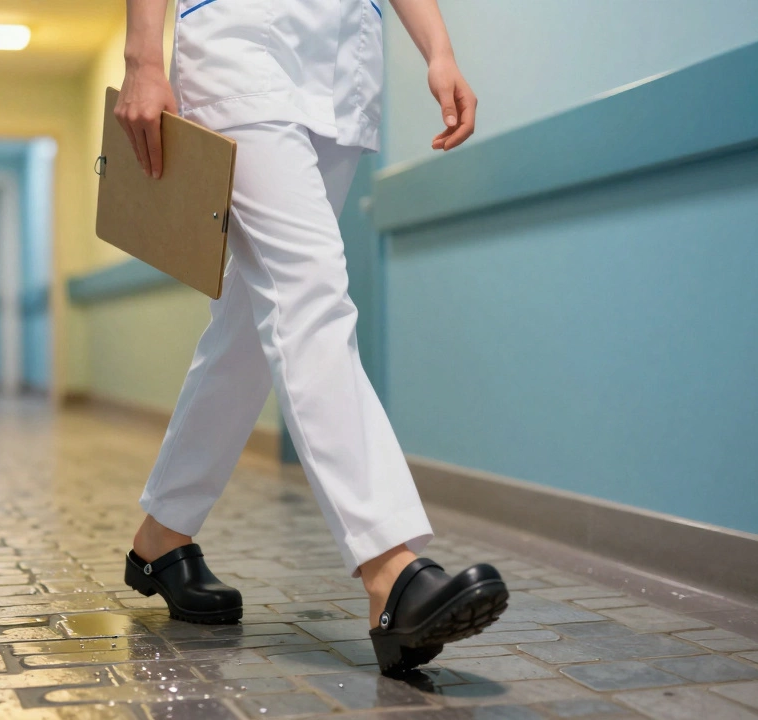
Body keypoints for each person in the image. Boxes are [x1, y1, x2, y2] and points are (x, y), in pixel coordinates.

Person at [116, 0, 508, 676]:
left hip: (343, 67)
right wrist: (144, 59)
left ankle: (162, 536)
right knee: (310, 291)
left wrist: (438, 49)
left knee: (247, 323)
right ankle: (391, 568)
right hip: (241, 48)